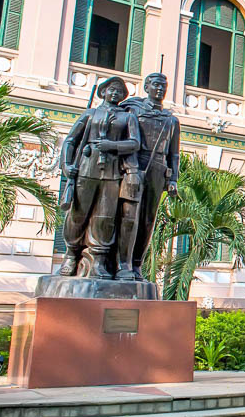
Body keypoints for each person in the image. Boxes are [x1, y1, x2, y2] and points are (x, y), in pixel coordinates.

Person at [59, 76, 141, 279]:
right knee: (78, 214)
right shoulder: (91, 114)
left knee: (104, 219)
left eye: (119, 91)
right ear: (103, 92)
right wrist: (67, 165)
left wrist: (112, 146)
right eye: (111, 89)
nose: (115, 93)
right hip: (87, 169)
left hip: (112, 172)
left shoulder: (127, 118)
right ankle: (71, 254)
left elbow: (134, 143)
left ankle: (98, 261)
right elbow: (70, 141)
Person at [120, 73, 181, 281]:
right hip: (135, 164)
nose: (160, 89)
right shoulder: (132, 110)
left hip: (158, 168)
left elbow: (174, 153)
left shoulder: (171, 120)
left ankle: (137, 264)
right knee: (128, 216)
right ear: (146, 87)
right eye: (155, 85)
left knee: (147, 220)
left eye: (163, 86)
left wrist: (173, 180)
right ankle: (122, 263)